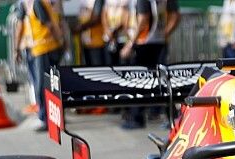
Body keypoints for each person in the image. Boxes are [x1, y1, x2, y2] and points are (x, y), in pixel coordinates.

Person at [120, 0, 181, 128]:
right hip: (157, 41)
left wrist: (130, 43)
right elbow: (176, 16)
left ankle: (137, 118)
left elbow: (143, 18)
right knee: (162, 81)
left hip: (143, 43)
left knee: (138, 82)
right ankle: (173, 118)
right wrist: (164, 34)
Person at [15, 0, 64, 131]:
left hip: (42, 48)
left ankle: (45, 118)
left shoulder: (36, 3)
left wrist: (16, 48)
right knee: (49, 84)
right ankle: (52, 118)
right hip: (43, 47)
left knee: (41, 85)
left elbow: (48, 24)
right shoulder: (40, 2)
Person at [74, 0, 107, 66]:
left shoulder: (98, 1)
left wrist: (81, 27)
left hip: (96, 42)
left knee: (97, 69)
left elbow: (97, 18)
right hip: (85, 42)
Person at [103, 0, 129, 64]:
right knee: (109, 64)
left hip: (122, 39)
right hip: (109, 38)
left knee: (122, 65)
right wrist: (107, 30)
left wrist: (115, 31)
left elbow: (126, 17)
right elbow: (104, 14)